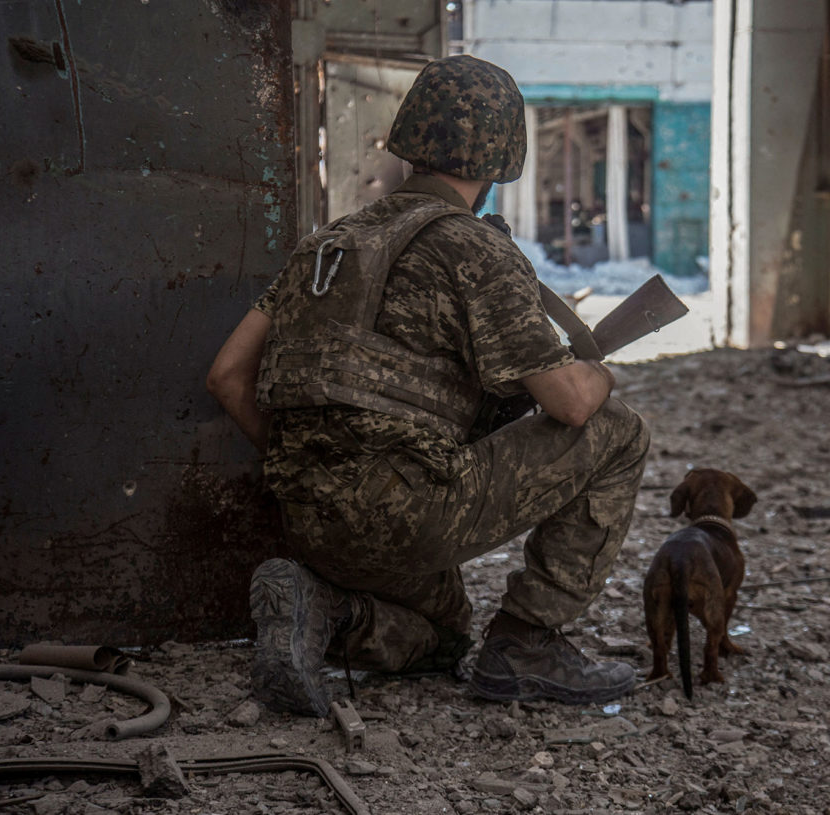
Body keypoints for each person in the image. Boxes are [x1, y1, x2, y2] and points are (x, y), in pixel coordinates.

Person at [206, 55, 649, 716]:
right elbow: (571, 401)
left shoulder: (325, 244)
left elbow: (226, 375)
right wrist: (602, 370)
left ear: (411, 140)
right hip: (409, 515)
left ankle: (323, 605)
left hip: (307, 518)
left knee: (445, 635)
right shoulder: (474, 247)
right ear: (502, 159)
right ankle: (528, 639)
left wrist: (317, 470)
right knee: (618, 430)